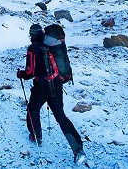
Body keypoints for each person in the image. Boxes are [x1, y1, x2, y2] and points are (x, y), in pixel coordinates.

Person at [17, 24, 85, 164]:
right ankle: (77, 148)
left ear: (32, 34)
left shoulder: (34, 48)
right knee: (60, 116)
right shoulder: (50, 45)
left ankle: (36, 136)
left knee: (33, 109)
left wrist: (21, 74)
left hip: (41, 87)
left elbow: (30, 73)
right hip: (56, 85)